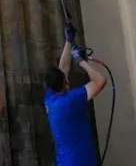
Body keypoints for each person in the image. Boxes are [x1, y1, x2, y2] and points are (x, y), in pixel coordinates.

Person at [44, 23, 107, 166]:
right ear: (66, 81)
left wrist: (68, 41)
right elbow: (100, 81)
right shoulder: (71, 101)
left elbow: (63, 69)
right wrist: (81, 61)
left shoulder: (50, 99)